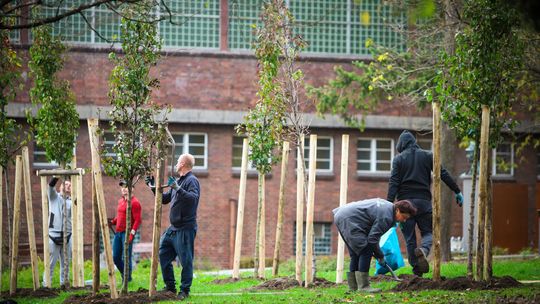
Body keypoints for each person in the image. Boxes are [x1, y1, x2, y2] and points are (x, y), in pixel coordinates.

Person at [387, 130, 464, 277]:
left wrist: (388, 205)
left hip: (405, 206)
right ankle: (424, 250)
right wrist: (457, 191)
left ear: (401, 145)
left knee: (410, 238)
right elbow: (443, 173)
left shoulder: (398, 159)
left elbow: (394, 183)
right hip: (424, 203)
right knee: (428, 232)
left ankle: (417, 272)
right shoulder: (428, 156)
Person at [145, 153, 200, 301]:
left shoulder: (192, 181)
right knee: (162, 254)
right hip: (173, 229)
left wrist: (178, 188)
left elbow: (193, 200)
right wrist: (152, 186)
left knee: (185, 260)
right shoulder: (178, 181)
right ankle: (170, 287)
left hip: (185, 228)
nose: (176, 163)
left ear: (182, 164)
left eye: (177, 161)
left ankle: (184, 291)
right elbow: (164, 199)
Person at [333, 198, 417, 293]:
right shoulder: (386, 217)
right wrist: (380, 255)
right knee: (366, 251)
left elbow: (373, 237)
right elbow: (372, 239)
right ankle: (364, 287)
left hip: (342, 215)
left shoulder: (388, 208)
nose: (404, 220)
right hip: (350, 219)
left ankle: (353, 287)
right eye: (404, 217)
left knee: (356, 254)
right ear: (397, 210)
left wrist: (378, 254)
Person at [109, 180, 142, 283]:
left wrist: (131, 234)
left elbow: (137, 220)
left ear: (132, 189)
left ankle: (127, 279)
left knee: (126, 256)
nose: (123, 188)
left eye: (126, 186)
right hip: (118, 233)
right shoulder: (121, 201)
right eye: (122, 187)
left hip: (126, 233)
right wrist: (113, 222)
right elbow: (119, 216)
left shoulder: (135, 203)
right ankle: (125, 275)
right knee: (115, 257)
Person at [43, 177, 72, 287]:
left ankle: (64, 284)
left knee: (66, 263)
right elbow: (50, 186)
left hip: (68, 235)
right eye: (66, 184)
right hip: (53, 235)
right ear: (60, 187)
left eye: (70, 185)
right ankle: (46, 285)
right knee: (50, 263)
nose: (68, 186)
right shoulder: (54, 197)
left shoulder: (73, 201)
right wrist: (56, 176)